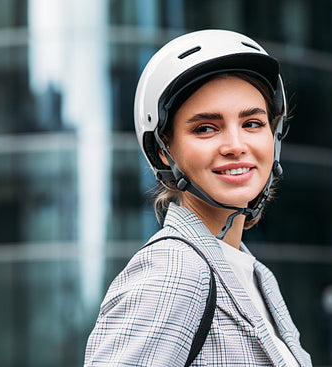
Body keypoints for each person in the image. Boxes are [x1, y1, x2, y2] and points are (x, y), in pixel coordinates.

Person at [84, 29, 312, 367]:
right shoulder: (172, 271)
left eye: (252, 123)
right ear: (164, 151)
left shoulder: (256, 276)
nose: (236, 145)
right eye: (205, 128)